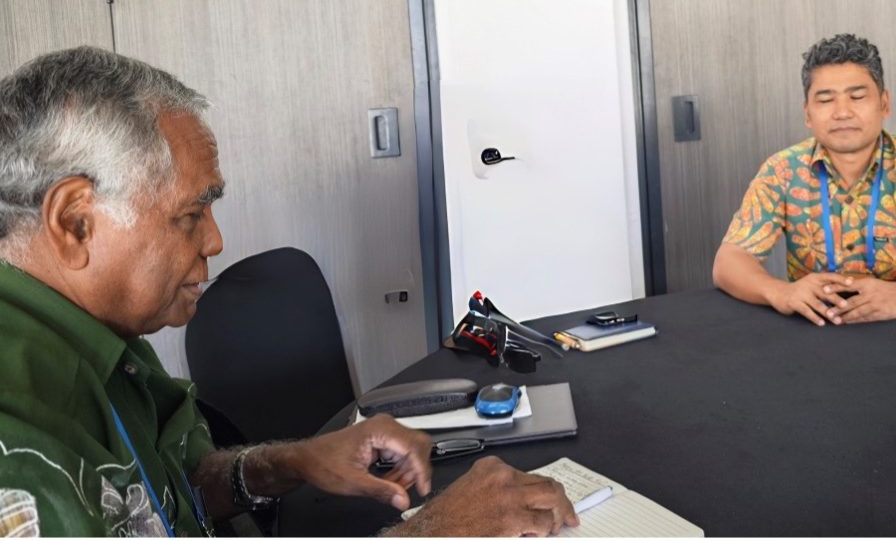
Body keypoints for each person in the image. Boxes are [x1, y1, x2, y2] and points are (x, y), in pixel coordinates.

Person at [0, 47, 578, 536]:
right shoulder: (16, 440)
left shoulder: (98, 333)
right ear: (75, 221)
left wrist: (293, 462)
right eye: (190, 214)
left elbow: (173, 487)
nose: (216, 241)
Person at [712, 33, 896, 326]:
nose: (842, 112)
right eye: (825, 100)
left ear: (884, 104)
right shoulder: (782, 171)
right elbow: (730, 260)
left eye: (857, 97)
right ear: (807, 114)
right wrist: (781, 292)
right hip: (817, 330)